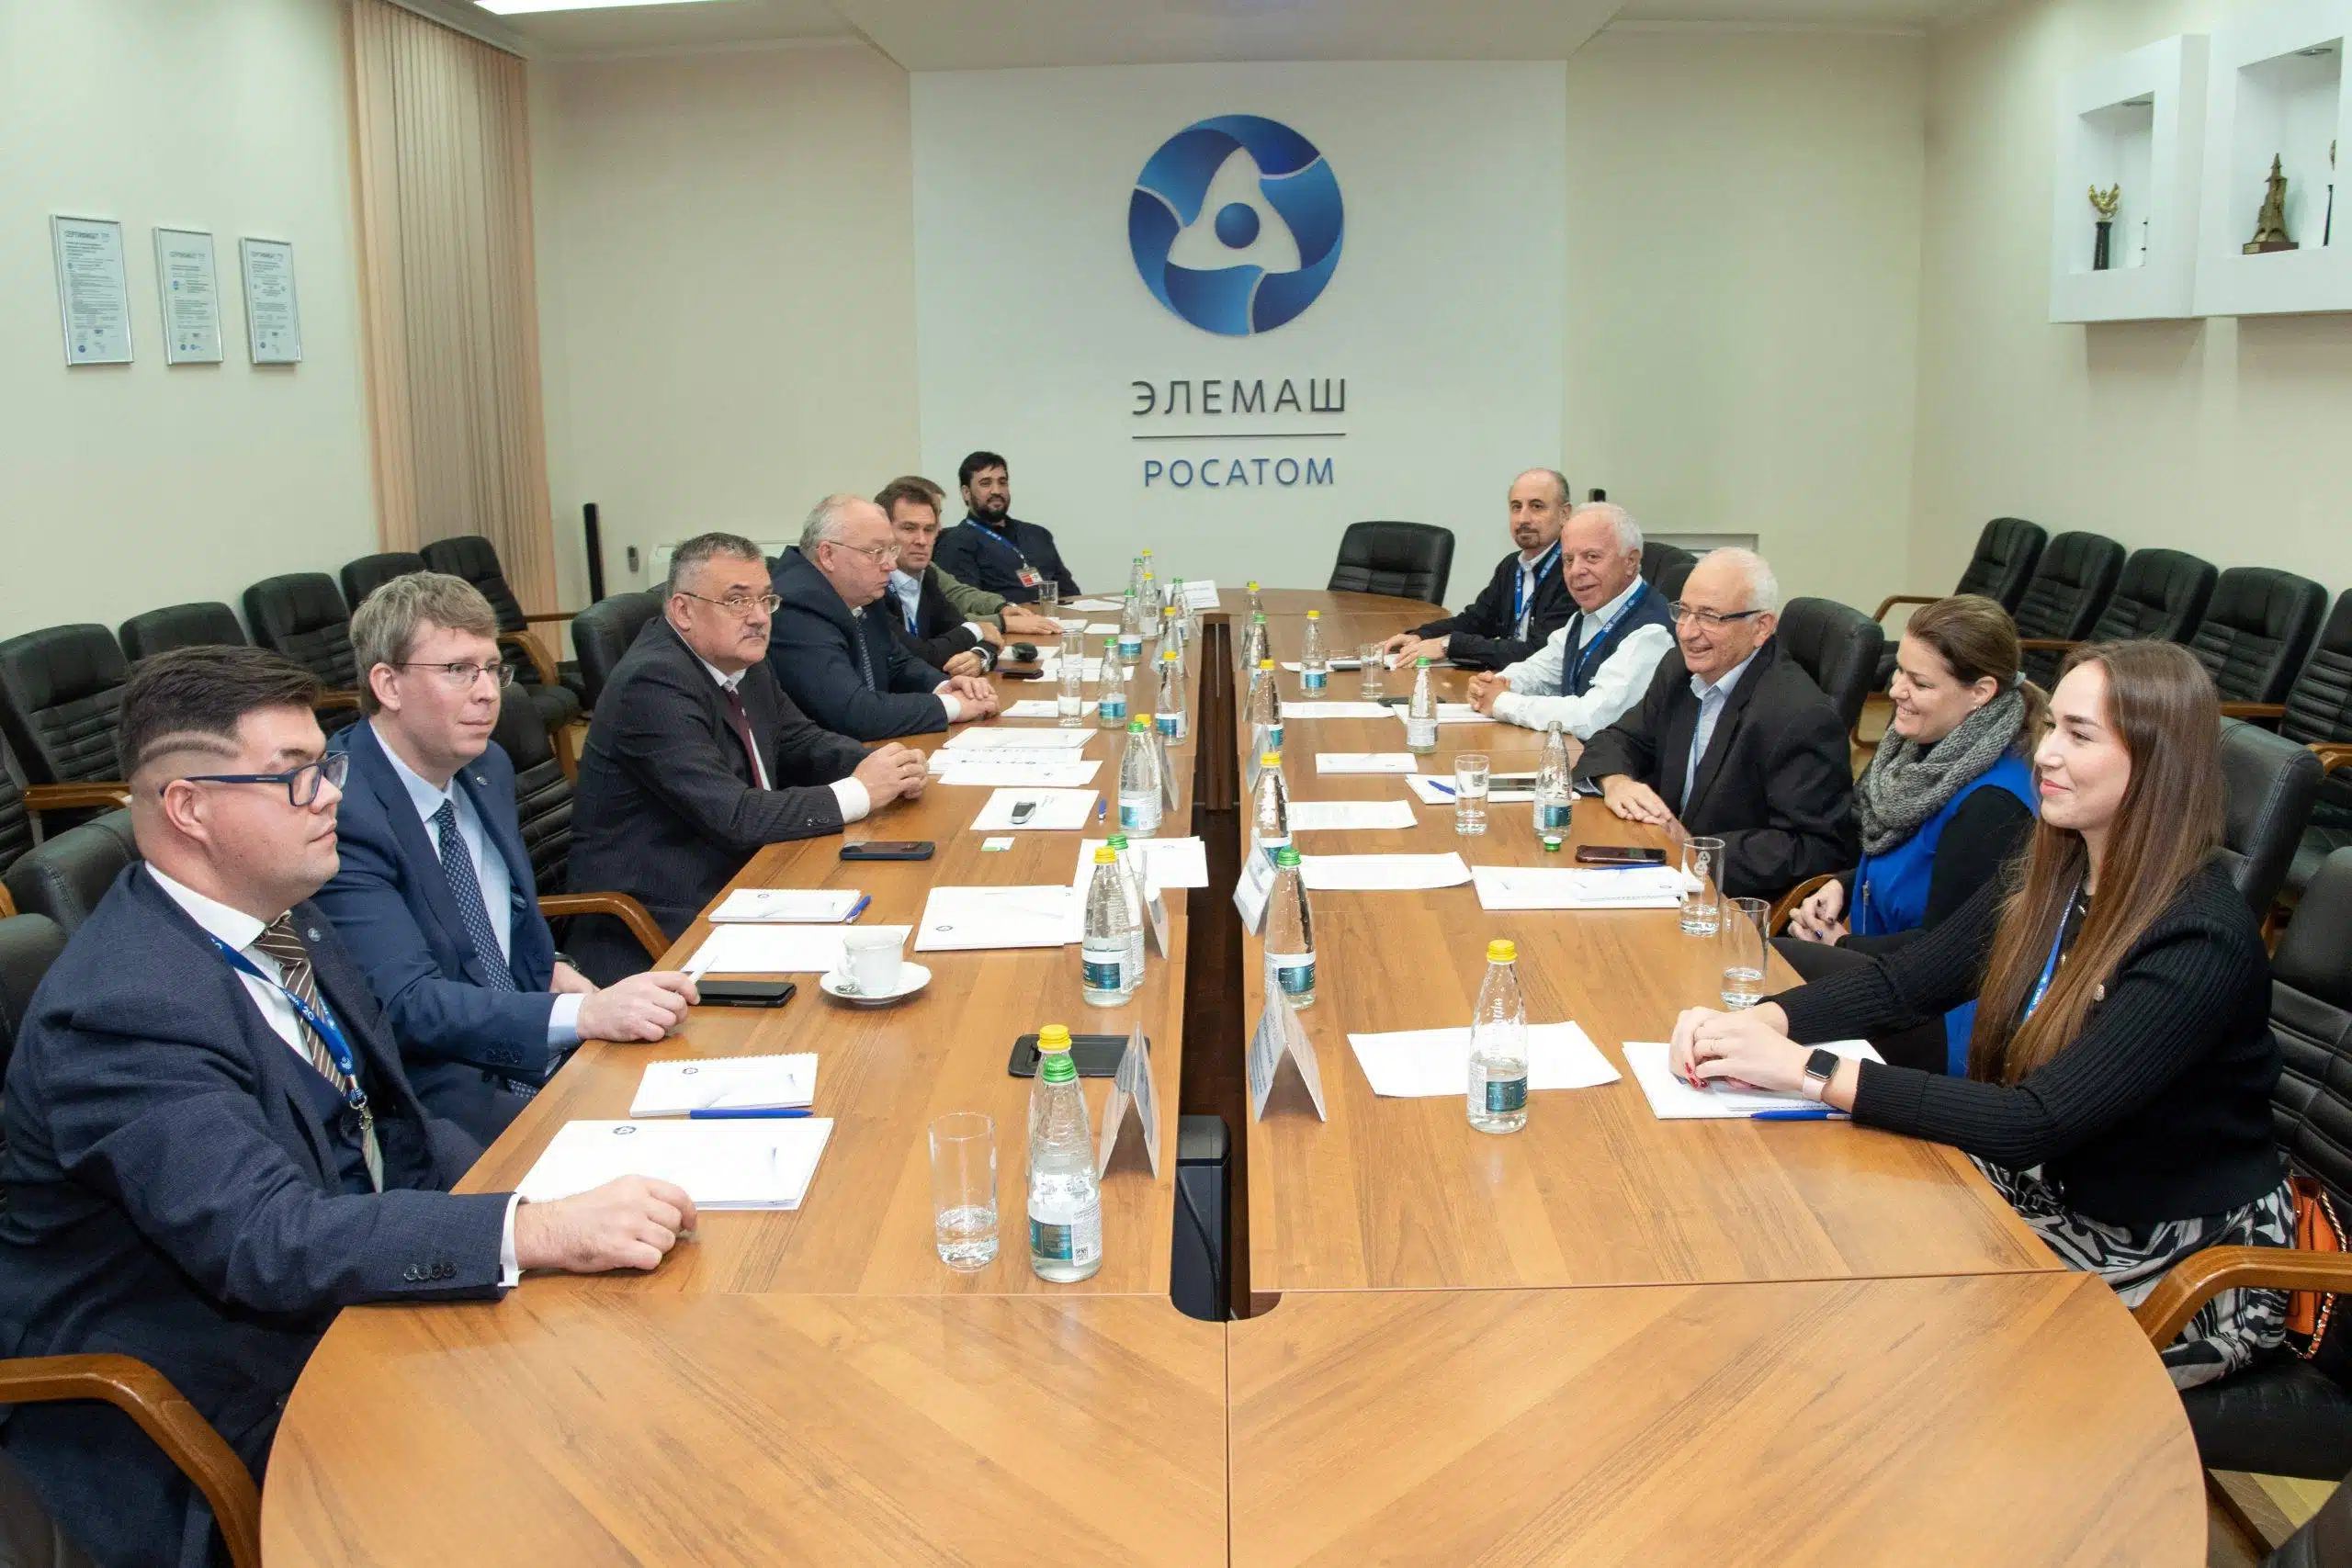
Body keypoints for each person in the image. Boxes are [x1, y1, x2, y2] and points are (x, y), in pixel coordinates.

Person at [0, 646, 695, 1568]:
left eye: (324, 764)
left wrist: (540, 1195)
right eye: (293, 776)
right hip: (201, 1406)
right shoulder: (122, 1009)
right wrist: (535, 1230)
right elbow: (265, 1240)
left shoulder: (288, 919)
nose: (331, 794)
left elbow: (392, 1127)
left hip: (341, 1303)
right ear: (189, 808)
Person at [1669, 641, 2290, 1391]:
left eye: (2080, 735)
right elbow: (1907, 984)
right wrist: (1765, 1019)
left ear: (2156, 763)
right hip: (2051, 1189)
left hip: (2171, 1256)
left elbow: (2036, 1118)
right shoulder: (2058, 867)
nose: (2046, 754)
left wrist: (1810, 1069)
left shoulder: (2199, 934)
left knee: (1892, 1341)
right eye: (2051, 726)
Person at [315, 573, 700, 1143]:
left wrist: (553, 970)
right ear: (388, 685)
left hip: (532, 1037)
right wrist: (579, 1017)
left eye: (493, 668)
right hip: (444, 1092)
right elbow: (406, 1004)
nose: (487, 692)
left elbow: (504, 920)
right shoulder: (341, 811)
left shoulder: (485, 765)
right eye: (458, 670)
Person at [566, 532, 930, 980]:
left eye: (764, 599)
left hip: (750, 881)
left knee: (896, 915)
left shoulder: (741, 660)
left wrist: (886, 766)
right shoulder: (653, 682)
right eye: (737, 601)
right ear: (682, 610)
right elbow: (735, 815)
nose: (758, 617)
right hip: (662, 921)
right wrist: (861, 791)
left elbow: (799, 740)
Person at [1776, 594, 2041, 1074]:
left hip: (1940, 1021)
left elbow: (1949, 955)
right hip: (1885, 976)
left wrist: (1839, 946)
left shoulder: (1993, 805)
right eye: (1900, 670)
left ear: (1981, 692)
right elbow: (1908, 859)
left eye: (1920, 683)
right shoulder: (1921, 753)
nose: (1895, 689)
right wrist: (1843, 883)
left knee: (1766, 978)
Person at [1574, 547, 1856, 899]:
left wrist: (1695, 849)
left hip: (1727, 900)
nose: (1687, 632)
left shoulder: (1801, 716)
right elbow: (1618, 738)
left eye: (1709, 617)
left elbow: (1814, 848)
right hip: (1661, 870)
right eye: (1683, 611)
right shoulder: (1679, 669)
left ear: (1761, 627)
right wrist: (1616, 782)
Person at [769, 494, 1001, 740]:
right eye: (877, 552)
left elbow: (896, 661)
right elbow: (853, 713)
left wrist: (944, 686)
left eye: (891, 550)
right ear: (827, 555)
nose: (891, 564)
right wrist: (952, 706)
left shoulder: (861, 592)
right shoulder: (796, 605)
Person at [1464, 501, 1674, 737]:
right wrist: (1495, 684)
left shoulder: (1651, 633)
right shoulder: (1586, 615)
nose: (1575, 571)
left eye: (1591, 557)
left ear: (1630, 562)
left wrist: (1501, 701)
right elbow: (1541, 671)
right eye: (1568, 560)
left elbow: (1592, 719)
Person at [1380, 468, 1577, 672]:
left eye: (1536, 506)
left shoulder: (1574, 572)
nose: (1523, 519)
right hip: (1508, 679)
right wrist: (1421, 635)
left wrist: (1448, 645)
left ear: (1564, 514)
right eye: (1516, 507)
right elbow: (1477, 620)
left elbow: (1540, 652)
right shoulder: (1512, 565)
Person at [882, 473, 1060, 639]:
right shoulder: (880, 579)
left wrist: (1001, 607)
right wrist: (1003, 622)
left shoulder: (927, 570)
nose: (938, 527)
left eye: (931, 524)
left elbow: (957, 594)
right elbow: (945, 626)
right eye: (909, 528)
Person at [876, 477, 1006, 675]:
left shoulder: (926, 576)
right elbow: (918, 658)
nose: (922, 540)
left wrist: (979, 656)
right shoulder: (874, 587)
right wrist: (977, 630)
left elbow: (968, 632)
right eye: (909, 528)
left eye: (929, 530)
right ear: (884, 532)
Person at [932, 449, 1080, 603]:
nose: (997, 491)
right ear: (966, 493)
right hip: (1006, 617)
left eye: (1002, 482)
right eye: (986, 483)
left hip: (1056, 616)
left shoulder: (1038, 534)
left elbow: (1072, 595)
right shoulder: (955, 543)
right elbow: (967, 605)